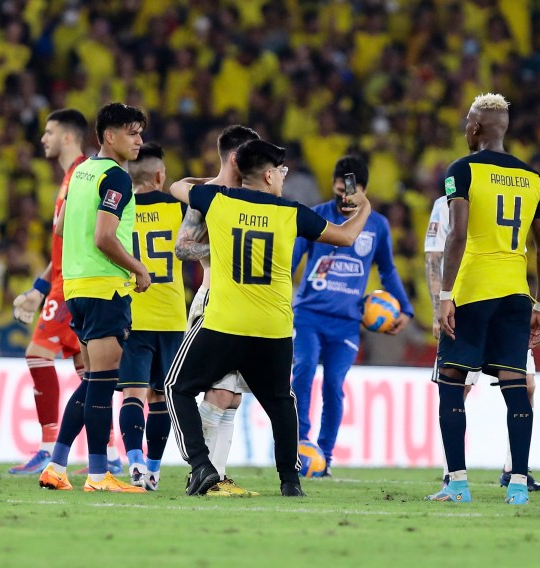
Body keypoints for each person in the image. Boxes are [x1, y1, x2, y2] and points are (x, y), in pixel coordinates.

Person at [164, 140, 372, 497]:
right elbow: (348, 236)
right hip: (273, 329)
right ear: (269, 174)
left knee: (176, 387)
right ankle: (290, 482)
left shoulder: (216, 200)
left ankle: (201, 466)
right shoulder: (292, 212)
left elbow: (176, 187)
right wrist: (364, 206)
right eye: (282, 171)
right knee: (281, 403)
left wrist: (218, 178)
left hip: (225, 323)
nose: (284, 177)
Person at [427, 93, 540, 506]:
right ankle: (518, 484)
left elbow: (458, 234)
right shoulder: (532, 177)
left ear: (477, 128)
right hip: (516, 293)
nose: (465, 128)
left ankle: (458, 484)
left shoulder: (461, 170)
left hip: (474, 290)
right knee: (516, 387)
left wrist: (446, 296)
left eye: (467, 122)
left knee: (451, 383)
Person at [39, 102, 151, 493]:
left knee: (91, 383)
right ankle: (99, 474)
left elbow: (61, 227)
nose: (139, 140)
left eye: (140, 133)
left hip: (77, 287)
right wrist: (138, 268)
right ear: (109, 136)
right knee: (103, 383)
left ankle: (55, 465)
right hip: (105, 287)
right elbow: (105, 237)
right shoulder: (116, 177)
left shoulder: (81, 171)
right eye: (132, 133)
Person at [291, 154, 414, 476]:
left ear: (365, 189)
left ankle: (325, 458)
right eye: (341, 187)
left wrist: (407, 308)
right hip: (308, 315)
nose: (347, 196)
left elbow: (387, 270)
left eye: (353, 189)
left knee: (333, 384)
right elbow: (290, 262)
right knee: (303, 372)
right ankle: (300, 446)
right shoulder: (315, 217)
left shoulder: (377, 226)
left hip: (346, 322)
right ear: (332, 185)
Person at [425, 192, 540, 491]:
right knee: (457, 386)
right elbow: (434, 257)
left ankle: (513, 469)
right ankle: (450, 472)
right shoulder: (448, 202)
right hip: (466, 302)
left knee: (526, 384)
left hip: (506, 301)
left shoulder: (512, 193)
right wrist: (437, 307)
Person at [174, 124, 261, 496]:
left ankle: (215, 476)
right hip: (214, 299)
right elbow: (182, 246)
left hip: (248, 307)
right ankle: (202, 472)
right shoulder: (207, 196)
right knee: (218, 392)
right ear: (236, 157)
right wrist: (221, 253)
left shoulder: (252, 196)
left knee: (234, 397)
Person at [8, 109, 89, 475]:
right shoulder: (68, 178)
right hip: (62, 281)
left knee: (37, 354)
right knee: (89, 373)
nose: (43, 138)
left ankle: (47, 447)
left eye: (49, 131)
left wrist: (53, 289)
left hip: (73, 283)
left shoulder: (83, 177)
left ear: (68, 137)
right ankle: (109, 450)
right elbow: (60, 249)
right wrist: (37, 290)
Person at [116, 143, 184, 491]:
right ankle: (154, 470)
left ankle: (135, 463)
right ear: (160, 176)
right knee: (161, 398)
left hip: (131, 314)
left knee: (132, 394)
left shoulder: (118, 209)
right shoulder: (180, 208)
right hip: (171, 318)